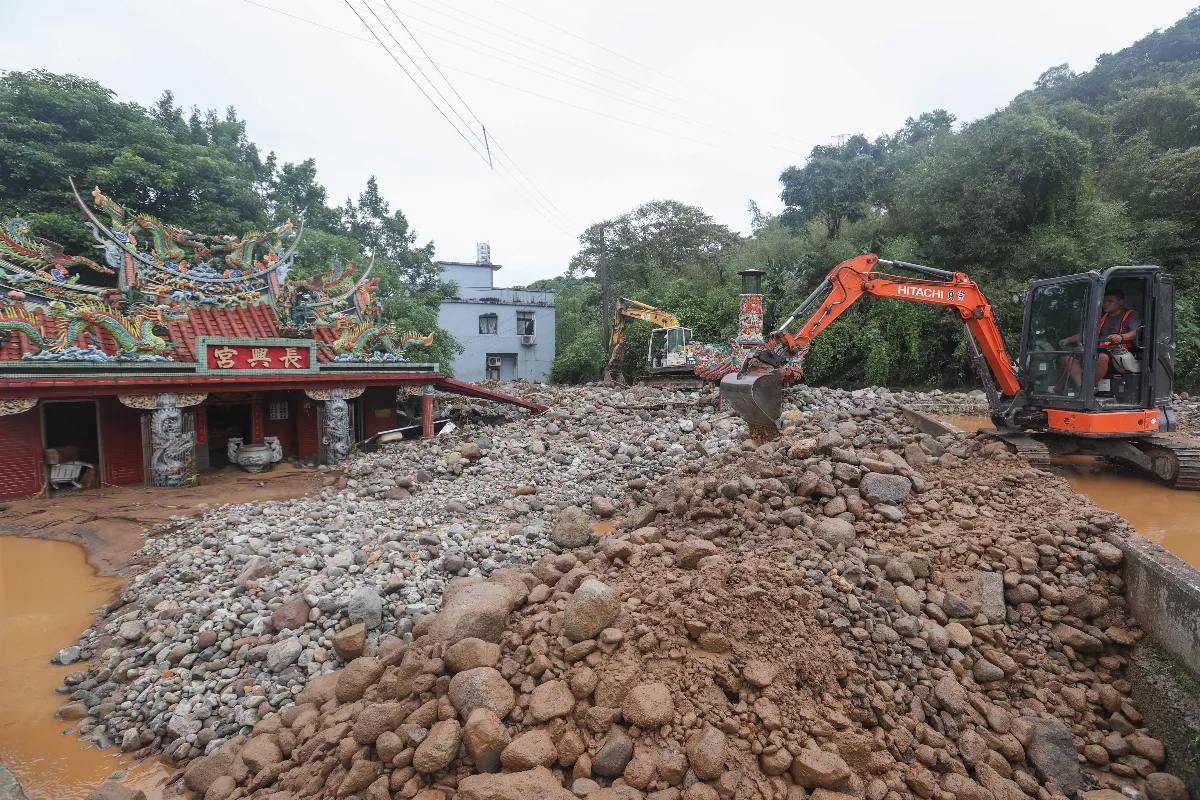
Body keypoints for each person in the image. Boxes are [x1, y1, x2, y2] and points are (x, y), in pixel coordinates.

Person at [1059, 287, 1142, 387]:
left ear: (1121, 302)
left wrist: (1121, 337)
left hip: (1120, 351)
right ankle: (1081, 386)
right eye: (1104, 301)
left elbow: (1136, 333)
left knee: (1103, 357)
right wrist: (1067, 340)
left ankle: (1089, 388)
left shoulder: (1132, 315)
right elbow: (1086, 334)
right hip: (1098, 350)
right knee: (1069, 358)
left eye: (1110, 301)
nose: (1105, 304)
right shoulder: (1100, 317)